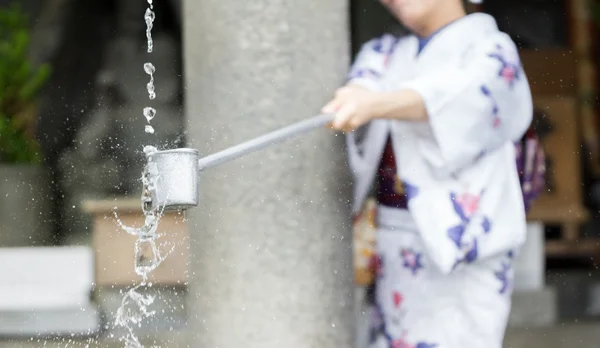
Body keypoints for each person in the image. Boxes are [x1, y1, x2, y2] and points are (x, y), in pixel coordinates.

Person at [322, 1, 541, 347]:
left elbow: (465, 98)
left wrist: (375, 104)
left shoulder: (492, 50)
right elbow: (361, 85)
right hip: (391, 238)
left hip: (463, 246)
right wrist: (357, 97)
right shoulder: (384, 52)